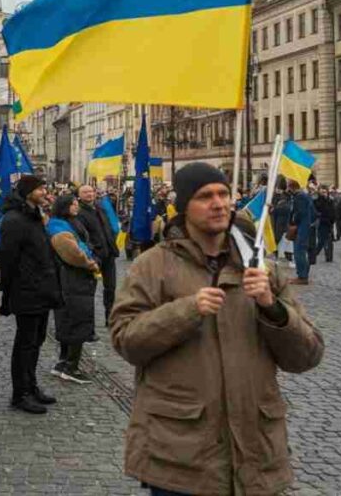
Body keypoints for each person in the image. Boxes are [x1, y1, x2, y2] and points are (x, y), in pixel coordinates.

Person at [110, 162, 324, 495]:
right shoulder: (152, 265)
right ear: (183, 208)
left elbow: (307, 355)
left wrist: (273, 308)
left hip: (254, 453)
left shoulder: (260, 269)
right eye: (205, 196)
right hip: (180, 457)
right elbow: (126, 340)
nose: (219, 203)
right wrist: (186, 311)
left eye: (224, 193)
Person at [0, 175, 61, 415]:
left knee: (37, 341)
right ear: (28, 192)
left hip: (42, 288)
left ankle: (31, 385)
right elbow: (8, 258)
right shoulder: (14, 220)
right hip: (25, 290)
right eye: (40, 188)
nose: (45, 191)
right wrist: (7, 291)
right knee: (24, 344)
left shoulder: (35, 217)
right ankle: (20, 393)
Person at [48, 194, 100, 384]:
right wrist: (90, 264)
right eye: (73, 204)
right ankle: (70, 366)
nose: (77, 206)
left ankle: (64, 363)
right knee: (75, 320)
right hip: (72, 278)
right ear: (64, 206)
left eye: (77, 203)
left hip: (76, 279)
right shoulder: (59, 227)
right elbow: (73, 254)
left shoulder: (71, 222)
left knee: (71, 319)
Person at [76, 185, 119, 326]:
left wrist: (112, 243)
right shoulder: (79, 212)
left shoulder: (100, 209)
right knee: (90, 290)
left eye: (91, 191)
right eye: (85, 192)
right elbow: (82, 236)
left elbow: (108, 228)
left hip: (108, 253)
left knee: (111, 288)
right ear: (79, 195)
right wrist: (92, 251)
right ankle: (88, 322)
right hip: (94, 256)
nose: (89, 194)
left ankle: (110, 316)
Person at [288, 180, 316, 285]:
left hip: (301, 227)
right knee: (301, 251)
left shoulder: (299, 196)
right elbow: (313, 212)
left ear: (291, 187)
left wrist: (293, 221)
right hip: (306, 226)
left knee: (299, 251)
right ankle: (303, 274)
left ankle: (302, 276)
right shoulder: (305, 195)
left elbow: (299, 213)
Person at [312, 184, 335, 264]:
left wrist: (333, 220)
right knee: (321, 240)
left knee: (329, 240)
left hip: (329, 222)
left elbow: (332, 210)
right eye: (322, 191)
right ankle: (314, 254)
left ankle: (329, 257)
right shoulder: (316, 200)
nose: (324, 193)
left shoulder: (331, 200)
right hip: (321, 222)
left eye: (325, 191)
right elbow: (316, 210)